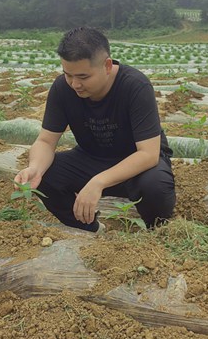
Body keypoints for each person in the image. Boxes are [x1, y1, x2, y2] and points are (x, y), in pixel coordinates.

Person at [14, 26, 176, 232]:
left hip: (136, 163)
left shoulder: (135, 86)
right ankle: (91, 228)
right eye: (68, 75)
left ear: (107, 65)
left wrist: (97, 182)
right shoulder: (63, 89)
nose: (75, 84)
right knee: (44, 176)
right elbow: (46, 141)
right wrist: (35, 168)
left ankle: (157, 231)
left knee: (155, 186)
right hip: (91, 158)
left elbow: (148, 154)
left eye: (83, 76)